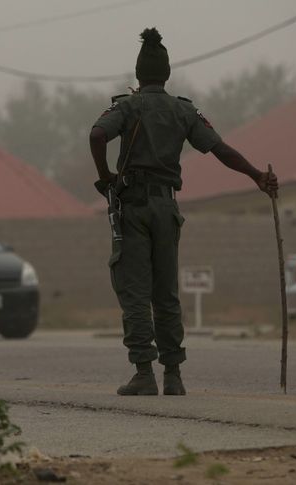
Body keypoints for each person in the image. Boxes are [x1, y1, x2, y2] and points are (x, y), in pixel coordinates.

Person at [89, 27, 278, 396]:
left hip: (134, 207)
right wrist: (256, 175)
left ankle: (144, 374)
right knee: (167, 293)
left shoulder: (128, 106)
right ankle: (174, 376)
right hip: (167, 208)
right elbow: (221, 150)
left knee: (135, 291)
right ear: (167, 74)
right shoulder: (183, 110)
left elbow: (97, 135)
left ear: (139, 75)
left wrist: (106, 178)